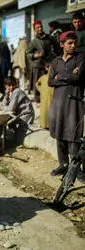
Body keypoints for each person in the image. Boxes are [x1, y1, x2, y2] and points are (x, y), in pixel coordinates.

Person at [48, 31, 85, 182]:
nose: (73, 45)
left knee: (73, 135)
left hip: (74, 102)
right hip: (58, 103)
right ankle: (63, 164)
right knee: (59, 133)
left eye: (75, 43)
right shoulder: (56, 61)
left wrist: (60, 77)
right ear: (62, 44)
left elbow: (79, 77)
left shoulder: (81, 57)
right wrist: (69, 75)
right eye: (70, 43)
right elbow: (50, 81)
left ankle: (75, 168)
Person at [27, 20, 55, 103]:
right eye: (37, 28)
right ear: (34, 29)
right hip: (38, 65)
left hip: (49, 64)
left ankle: (48, 98)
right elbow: (28, 53)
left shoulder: (49, 38)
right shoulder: (34, 41)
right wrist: (35, 55)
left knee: (48, 83)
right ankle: (38, 100)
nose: (39, 29)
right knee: (38, 83)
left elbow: (57, 48)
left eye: (40, 27)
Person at [1, 76, 34, 145]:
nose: (11, 87)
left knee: (7, 118)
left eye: (13, 85)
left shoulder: (17, 91)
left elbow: (10, 108)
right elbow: (4, 105)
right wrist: (6, 95)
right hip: (19, 114)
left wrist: (3, 107)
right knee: (7, 117)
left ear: (16, 84)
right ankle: (11, 135)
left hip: (25, 116)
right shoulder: (11, 93)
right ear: (5, 86)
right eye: (9, 85)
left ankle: (11, 136)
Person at [35, 63, 54, 129]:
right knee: (44, 112)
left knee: (51, 112)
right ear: (46, 68)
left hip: (52, 98)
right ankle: (44, 125)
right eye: (51, 67)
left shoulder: (56, 78)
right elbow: (37, 84)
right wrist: (41, 90)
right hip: (44, 99)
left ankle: (51, 126)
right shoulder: (43, 77)